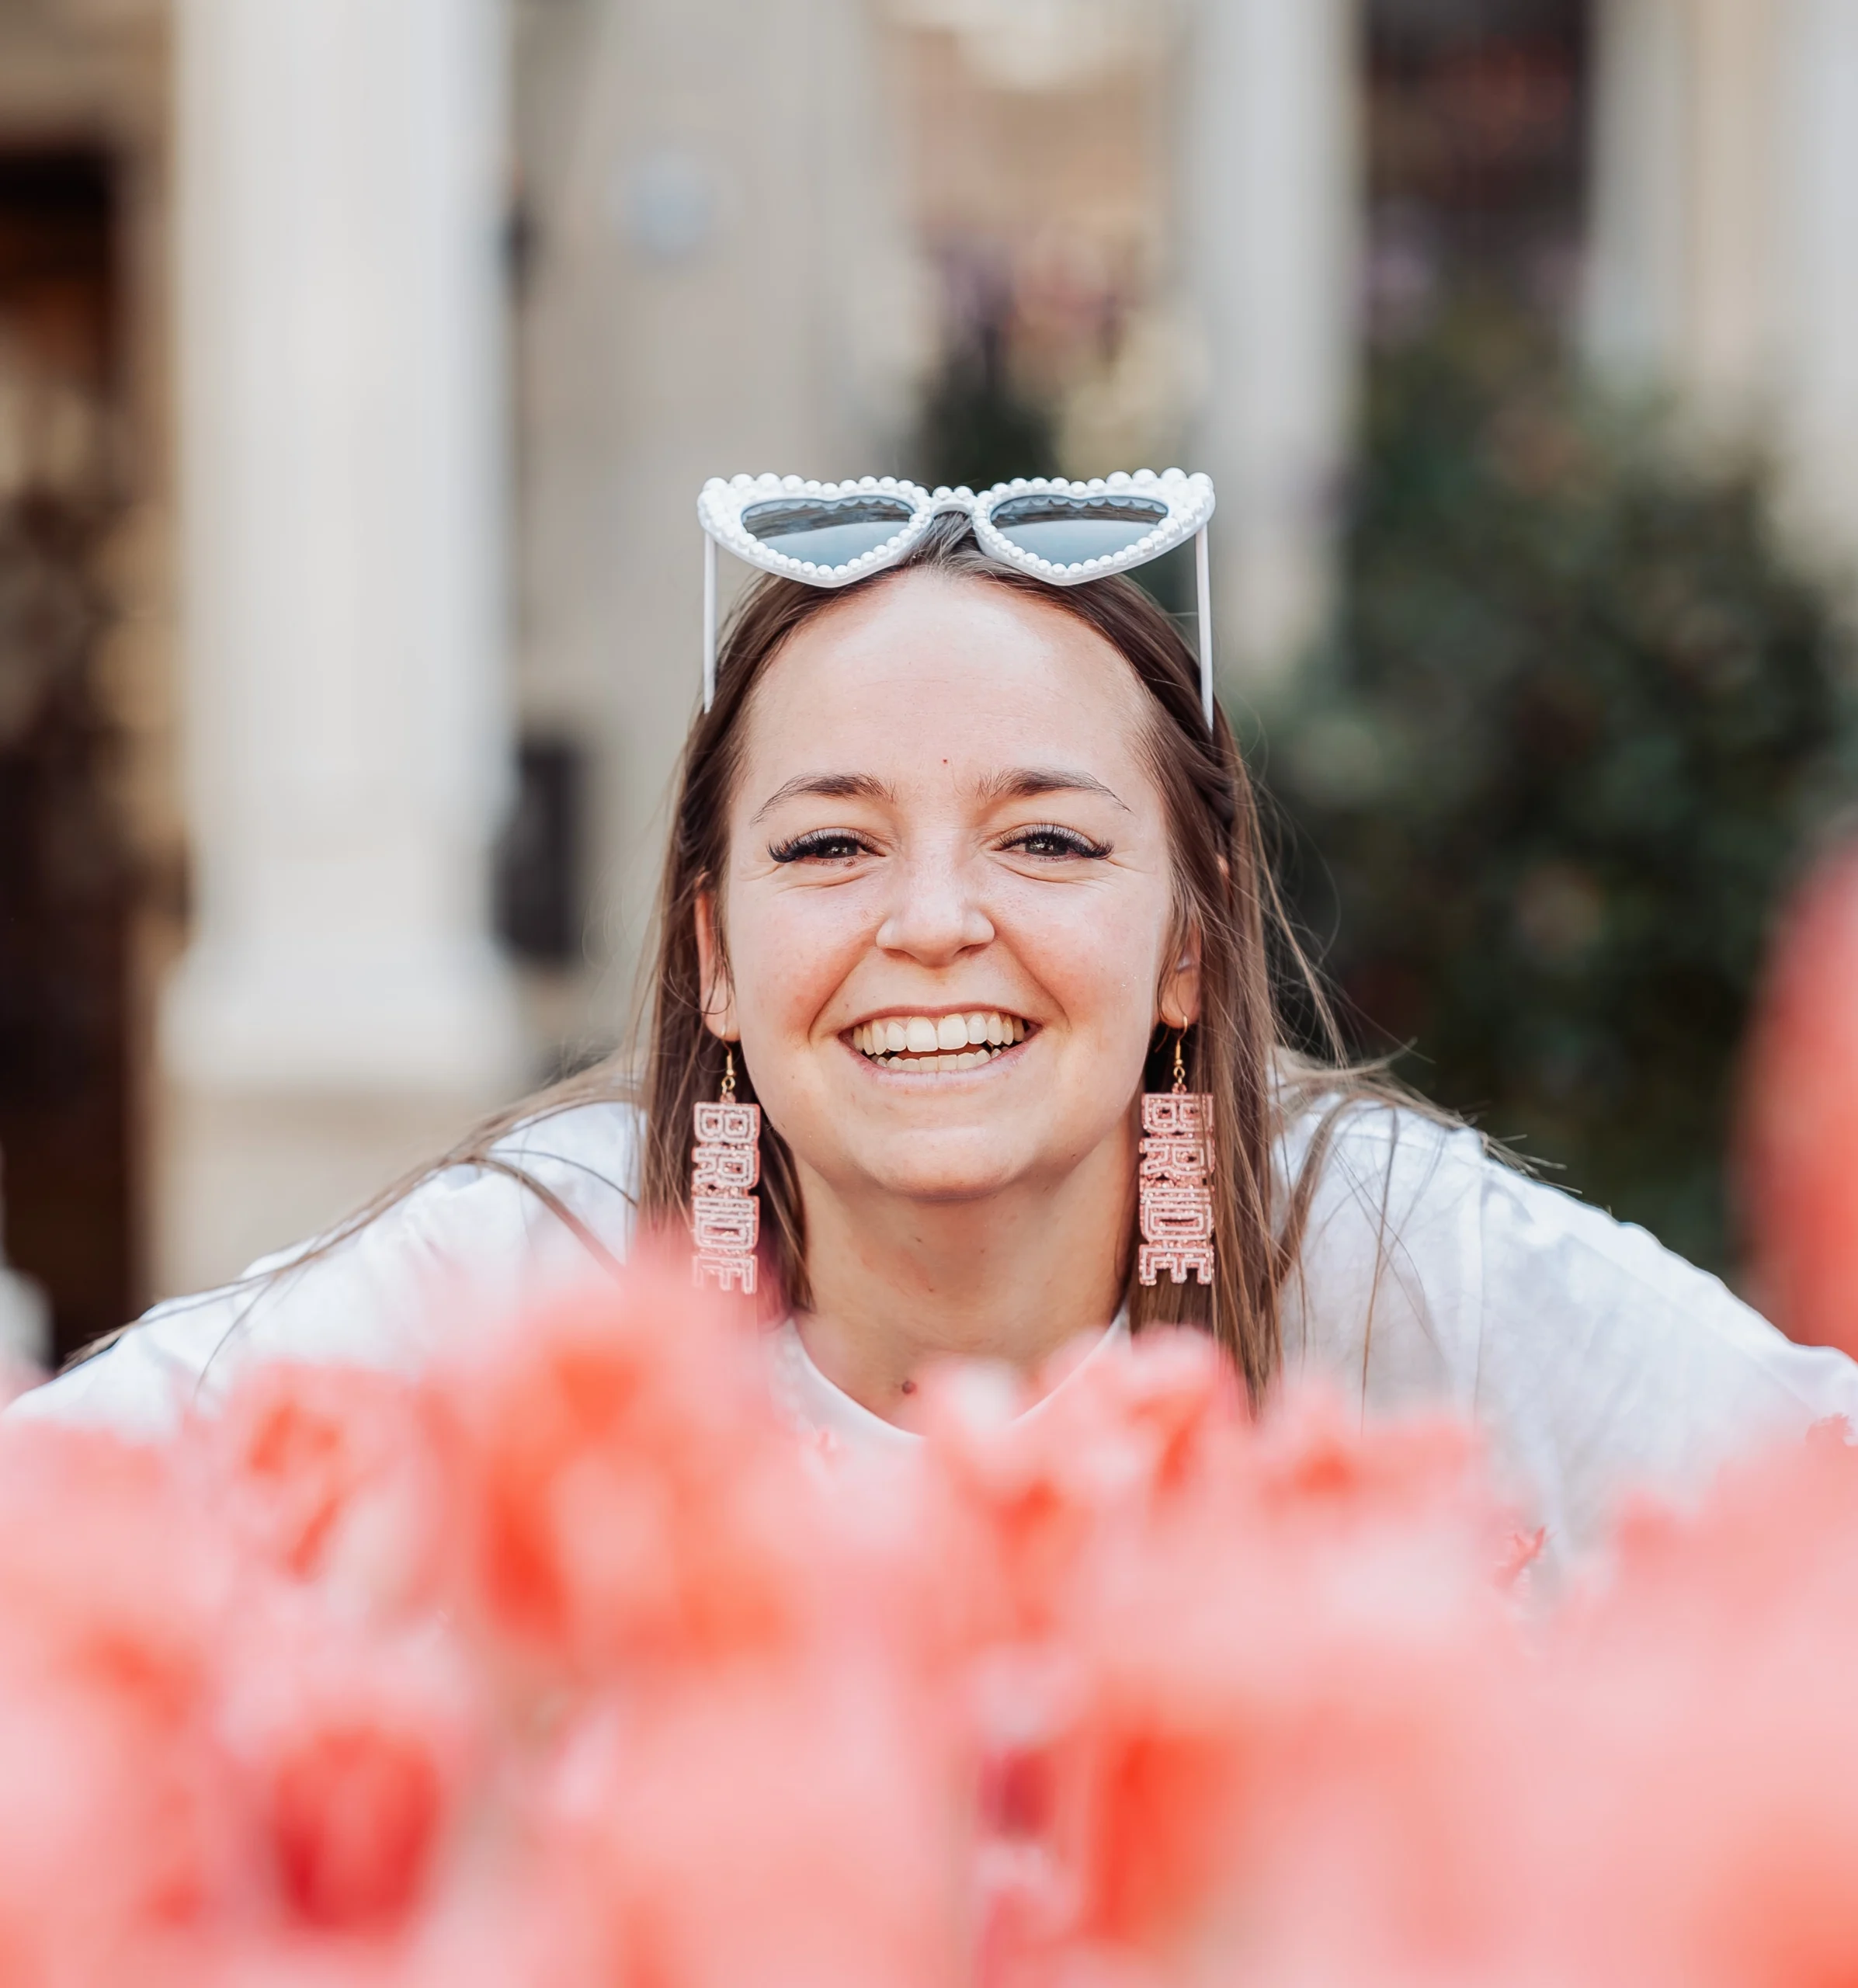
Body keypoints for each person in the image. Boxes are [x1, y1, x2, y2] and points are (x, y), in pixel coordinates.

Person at [15, 476, 1857, 1586]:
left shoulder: (1376, 1251)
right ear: (713, 956)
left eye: (1048, 838)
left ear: (1188, 950)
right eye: (827, 843)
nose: (930, 922)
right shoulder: (549, 1269)